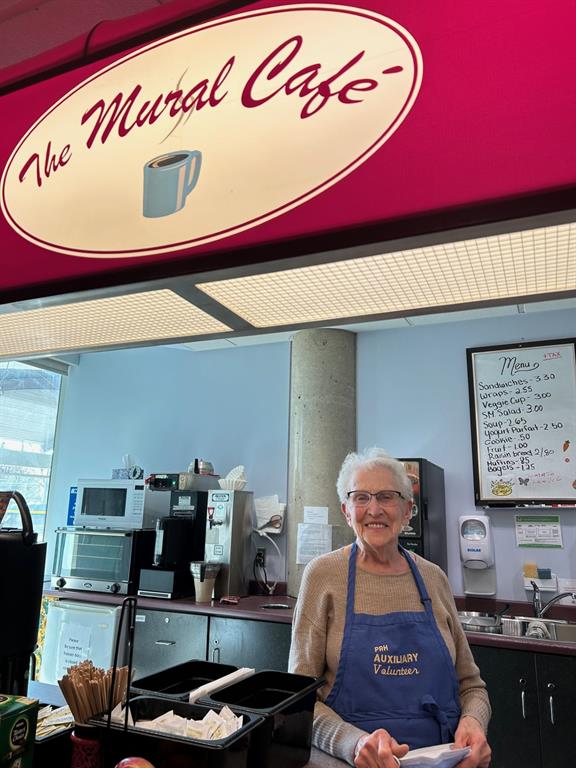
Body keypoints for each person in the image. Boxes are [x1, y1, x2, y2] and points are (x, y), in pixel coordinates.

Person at [289, 448, 491, 768]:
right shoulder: (323, 576)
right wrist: (353, 743)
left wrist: (474, 723)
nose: (374, 509)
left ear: (407, 510)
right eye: (361, 498)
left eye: (386, 497)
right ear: (346, 510)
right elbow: (298, 701)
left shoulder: (434, 578)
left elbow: (472, 686)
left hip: (442, 758)